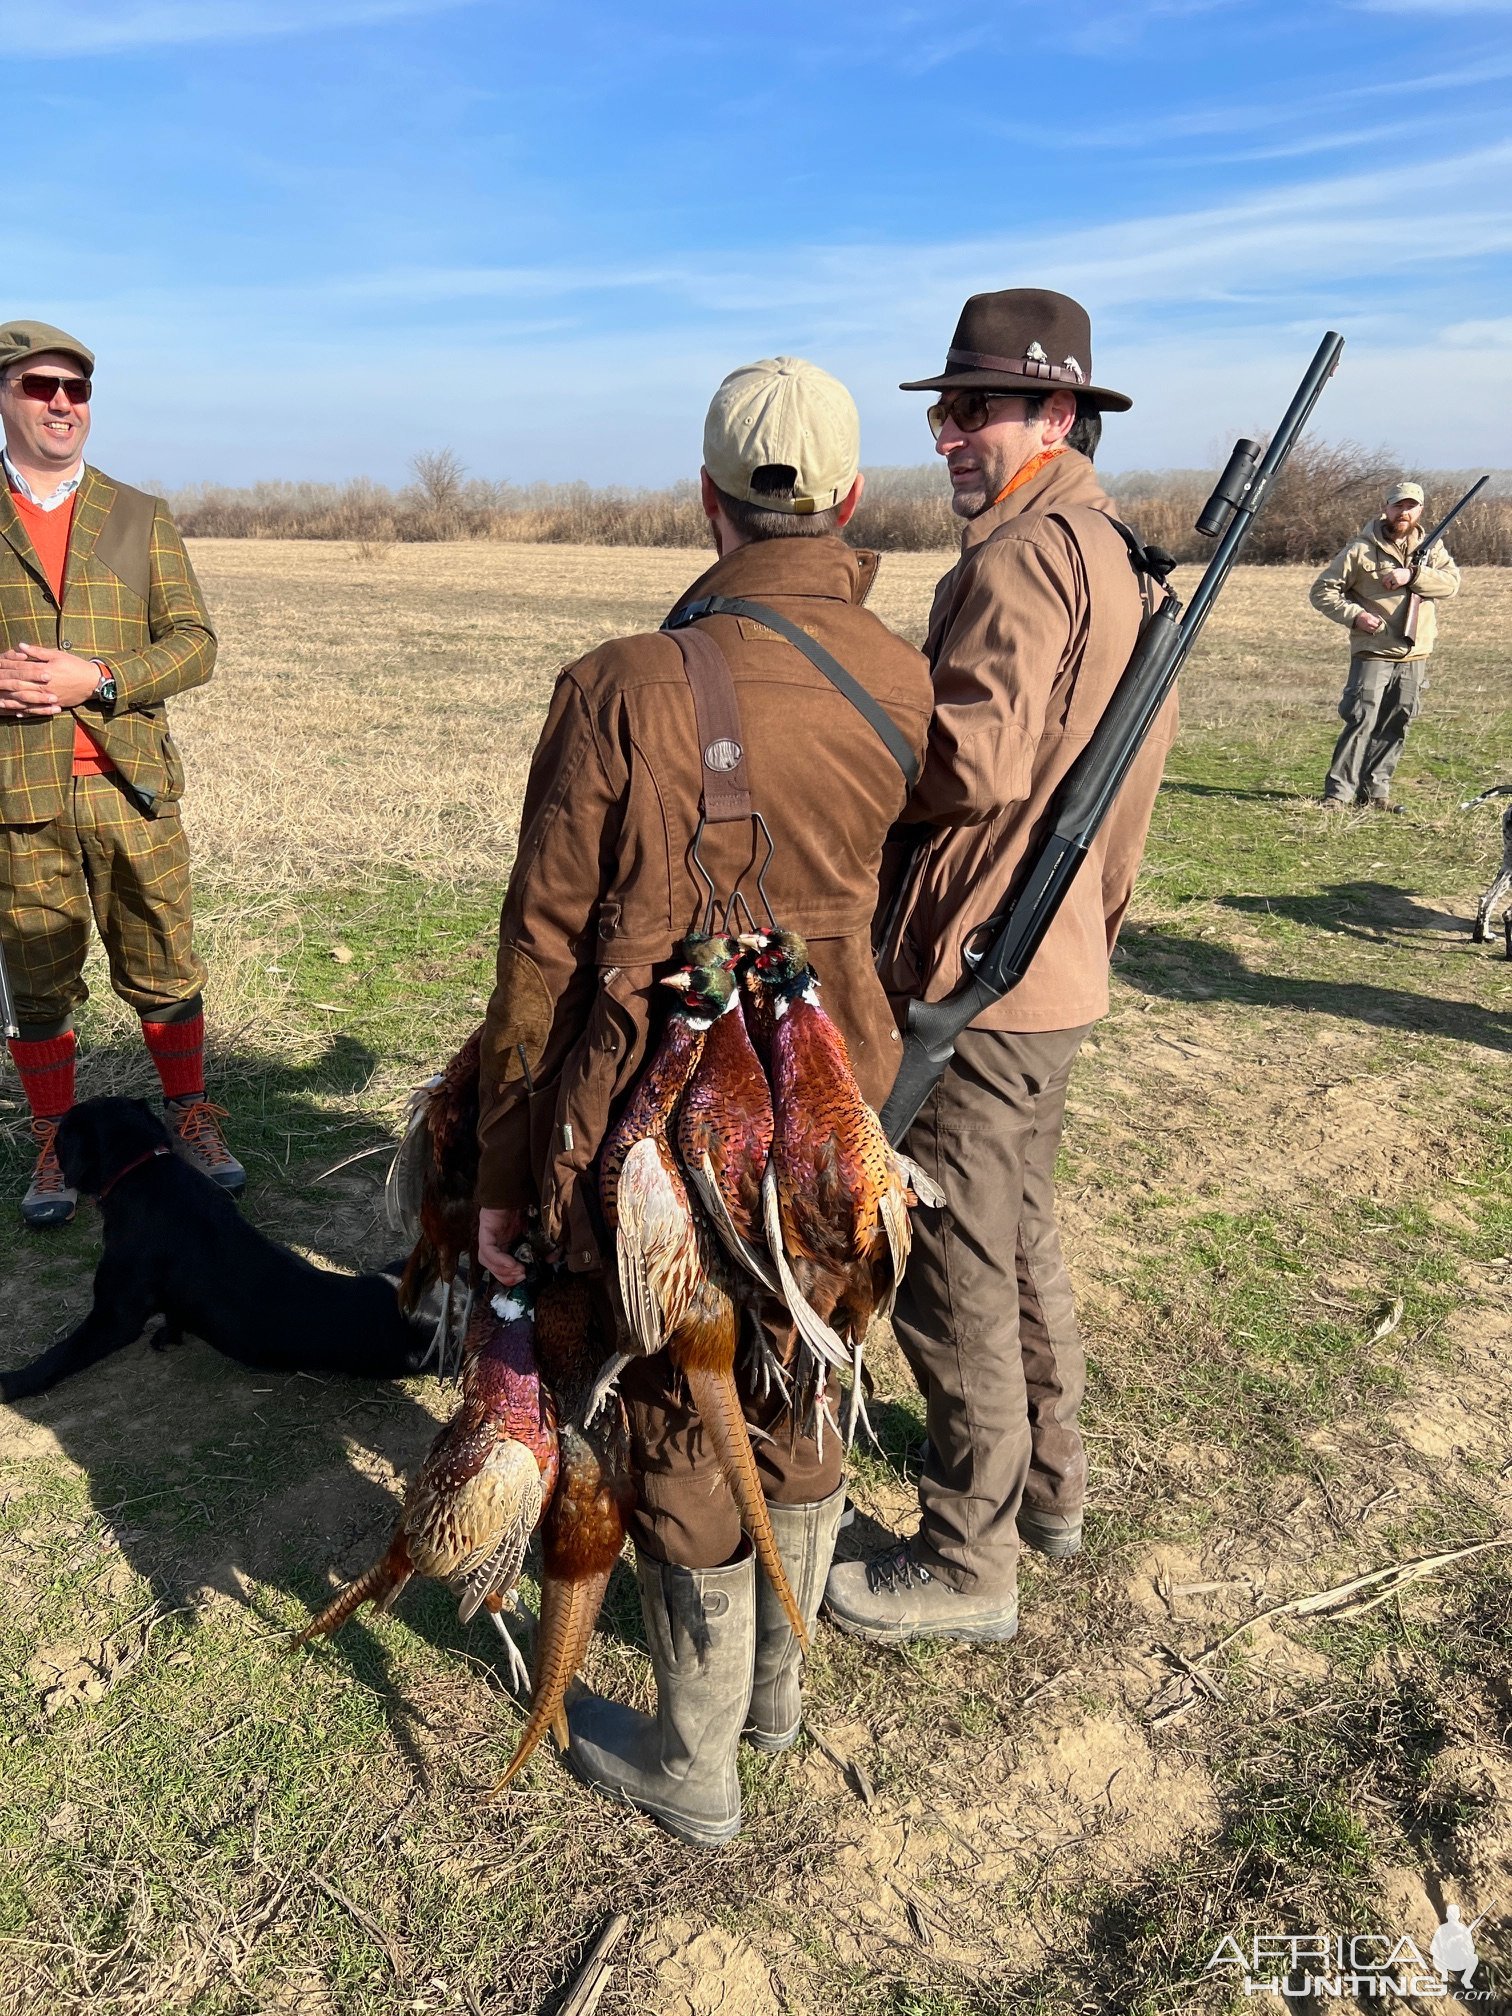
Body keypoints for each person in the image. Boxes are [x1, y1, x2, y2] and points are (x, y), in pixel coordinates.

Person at [472, 358, 932, 1842]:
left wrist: (500, 1169)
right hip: (842, 1093)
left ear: (706, 499)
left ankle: (697, 1760)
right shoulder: (905, 676)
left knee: (683, 1406)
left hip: (661, 1118)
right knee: (808, 1365)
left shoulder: (622, 683)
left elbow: (541, 946)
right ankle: (779, 1706)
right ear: (852, 502)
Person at [824, 288, 1176, 1645]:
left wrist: (850, 748)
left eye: (973, 409)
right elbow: (1123, 806)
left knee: (949, 1267)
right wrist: (1092, 930)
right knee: (1017, 1234)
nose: (947, 433)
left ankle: (969, 1562)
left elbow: (966, 759)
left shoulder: (1023, 561)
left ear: (1057, 413)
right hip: (1054, 967)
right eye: (943, 406)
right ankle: (1051, 1494)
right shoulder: (1118, 556)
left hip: (981, 967)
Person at [0, 321, 244, 1226]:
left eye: (77, 389)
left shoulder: (140, 514)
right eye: (41, 387)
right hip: (17, 797)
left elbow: (197, 645)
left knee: (166, 963)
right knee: (37, 979)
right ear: (7, 396)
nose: (63, 403)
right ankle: (55, 1140)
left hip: (131, 787)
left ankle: (191, 1115)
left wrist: (97, 679)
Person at [1312, 479, 1460, 812]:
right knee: (1361, 719)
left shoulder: (1432, 549)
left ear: (1420, 511)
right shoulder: (1360, 549)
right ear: (1386, 507)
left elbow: (1452, 585)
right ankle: (1338, 795)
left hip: (1415, 652)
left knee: (1398, 721)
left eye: (1411, 506)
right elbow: (1322, 591)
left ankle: (1376, 793)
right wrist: (1356, 617)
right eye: (1398, 505)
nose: (1404, 512)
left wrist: (1414, 577)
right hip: (1372, 650)